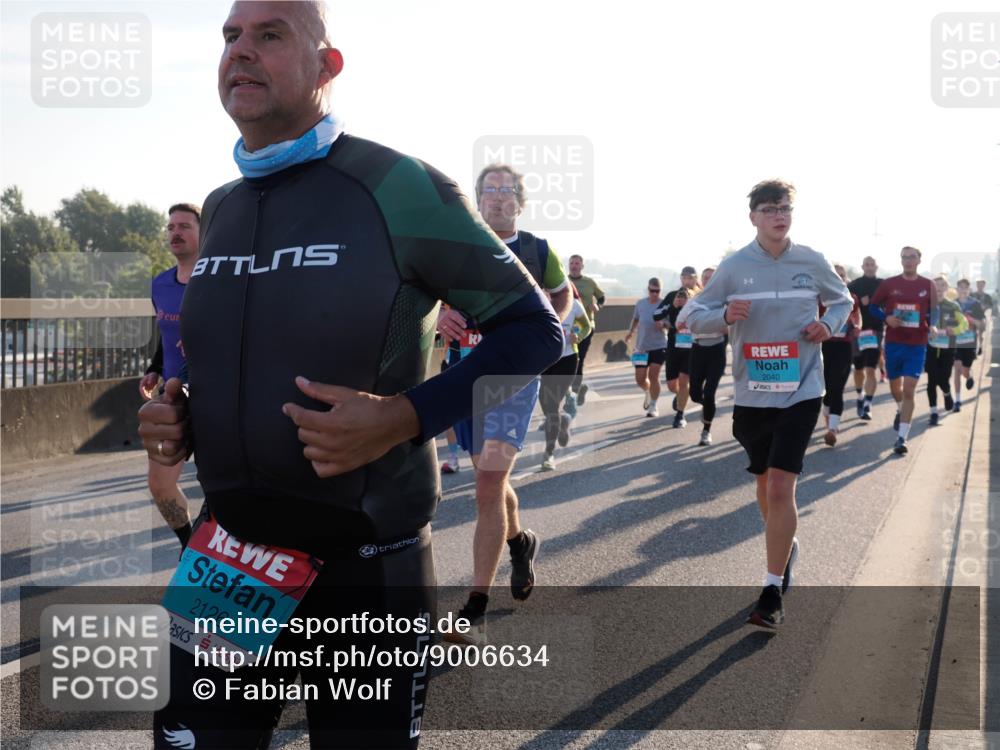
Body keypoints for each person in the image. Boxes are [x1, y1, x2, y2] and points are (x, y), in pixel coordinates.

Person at [138, 4, 562, 747]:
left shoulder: (396, 185)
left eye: (270, 35)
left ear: (327, 67)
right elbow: (241, 354)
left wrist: (405, 417)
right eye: (231, 35)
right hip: (231, 553)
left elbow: (536, 329)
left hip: (367, 560)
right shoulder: (225, 205)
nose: (241, 50)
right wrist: (179, 416)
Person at [686, 179, 852, 630]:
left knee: (781, 486)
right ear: (753, 217)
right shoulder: (735, 267)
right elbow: (689, 315)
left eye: (785, 208)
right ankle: (786, 544)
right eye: (769, 209)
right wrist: (723, 316)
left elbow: (843, 300)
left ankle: (771, 588)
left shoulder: (811, 260)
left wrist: (828, 324)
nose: (779, 215)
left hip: (802, 388)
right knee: (764, 484)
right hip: (753, 395)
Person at [438, 163, 572, 645]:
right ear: (477, 200)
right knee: (489, 480)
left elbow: (563, 295)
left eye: (506, 191)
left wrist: (543, 337)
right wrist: (443, 314)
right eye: (488, 191)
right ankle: (520, 541)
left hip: (514, 379)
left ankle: (475, 604)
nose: (496, 198)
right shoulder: (458, 248)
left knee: (489, 482)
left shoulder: (536, 250)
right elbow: (428, 300)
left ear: (520, 200)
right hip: (463, 375)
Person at [138, 203, 199, 549]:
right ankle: (188, 545)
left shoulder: (219, 280)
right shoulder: (160, 284)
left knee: (224, 488)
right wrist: (154, 369)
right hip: (172, 399)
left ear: (204, 234)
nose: (175, 232)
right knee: (160, 485)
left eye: (185, 226)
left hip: (214, 396)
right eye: (171, 226)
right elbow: (165, 333)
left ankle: (226, 560)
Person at [869, 247, 939, 455]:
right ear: (901, 260)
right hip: (894, 343)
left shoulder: (928, 285)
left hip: (917, 344)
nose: (908, 261)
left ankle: (902, 438)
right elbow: (874, 307)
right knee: (895, 388)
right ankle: (900, 409)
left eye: (912, 257)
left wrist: (933, 325)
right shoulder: (889, 284)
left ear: (919, 260)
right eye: (905, 257)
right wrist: (886, 318)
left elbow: (934, 310)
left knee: (909, 388)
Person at [540, 284, 592, 470]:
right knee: (546, 406)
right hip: (546, 360)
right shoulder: (539, 302)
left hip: (568, 359)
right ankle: (563, 421)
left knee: (552, 404)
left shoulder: (574, 304)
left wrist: (576, 334)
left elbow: (586, 326)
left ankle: (549, 453)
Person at [677, 266, 726, 446]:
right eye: (705, 277)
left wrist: (702, 324)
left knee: (710, 392)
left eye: (712, 277)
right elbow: (679, 322)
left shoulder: (724, 300)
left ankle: (706, 430)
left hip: (716, 350)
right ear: (702, 280)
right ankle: (706, 408)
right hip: (697, 349)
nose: (708, 280)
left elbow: (731, 325)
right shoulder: (695, 300)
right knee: (695, 393)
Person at [820, 264, 861, 446]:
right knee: (826, 388)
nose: (839, 278)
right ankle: (829, 420)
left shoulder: (851, 298)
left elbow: (858, 315)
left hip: (844, 347)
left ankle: (832, 429)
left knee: (837, 386)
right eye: (835, 275)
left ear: (845, 279)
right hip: (822, 347)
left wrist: (858, 325)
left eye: (842, 276)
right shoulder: (818, 298)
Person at [654, 266, 700, 428]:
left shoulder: (700, 296)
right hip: (674, 345)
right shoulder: (673, 295)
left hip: (692, 346)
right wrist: (673, 305)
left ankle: (680, 415)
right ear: (681, 278)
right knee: (673, 384)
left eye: (690, 277)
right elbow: (656, 315)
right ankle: (680, 395)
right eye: (684, 277)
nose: (687, 280)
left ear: (695, 279)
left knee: (684, 379)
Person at [925, 276, 968, 425]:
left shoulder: (953, 306)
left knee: (943, 378)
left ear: (947, 288)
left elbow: (964, 325)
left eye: (942, 285)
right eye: (935, 285)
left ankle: (947, 393)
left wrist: (954, 329)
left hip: (948, 349)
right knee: (931, 381)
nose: (938, 288)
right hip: (930, 348)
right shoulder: (926, 305)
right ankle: (933, 412)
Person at [566, 254, 606, 409]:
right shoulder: (563, 280)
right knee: (566, 361)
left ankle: (574, 394)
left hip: (585, 326)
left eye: (577, 263)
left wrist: (598, 306)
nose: (574, 266)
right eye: (572, 263)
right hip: (567, 327)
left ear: (582, 266)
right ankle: (578, 388)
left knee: (578, 360)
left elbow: (602, 297)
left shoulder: (589, 282)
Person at [624, 278, 668, 417]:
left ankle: (653, 406)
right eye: (652, 291)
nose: (654, 294)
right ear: (648, 289)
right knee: (640, 379)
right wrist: (631, 332)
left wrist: (664, 325)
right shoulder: (641, 303)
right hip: (642, 346)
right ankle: (647, 391)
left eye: (657, 291)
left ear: (660, 291)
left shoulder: (664, 305)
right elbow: (636, 318)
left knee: (653, 376)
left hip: (659, 345)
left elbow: (671, 322)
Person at [847, 256, 883, 420]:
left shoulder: (883, 285)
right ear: (862, 267)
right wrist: (859, 304)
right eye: (867, 264)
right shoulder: (854, 285)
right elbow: (845, 304)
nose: (869, 267)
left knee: (870, 369)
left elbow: (891, 304)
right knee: (859, 369)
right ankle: (860, 395)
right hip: (857, 332)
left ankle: (868, 405)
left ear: (876, 267)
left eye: (872, 264)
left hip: (875, 331)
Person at [952, 278, 986, 409]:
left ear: (969, 289)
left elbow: (982, 324)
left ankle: (969, 375)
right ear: (957, 289)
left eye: (965, 287)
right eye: (960, 287)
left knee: (964, 371)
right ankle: (958, 400)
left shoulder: (975, 304)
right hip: (956, 343)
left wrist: (971, 320)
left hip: (970, 343)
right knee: (957, 369)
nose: (963, 290)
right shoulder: (952, 304)